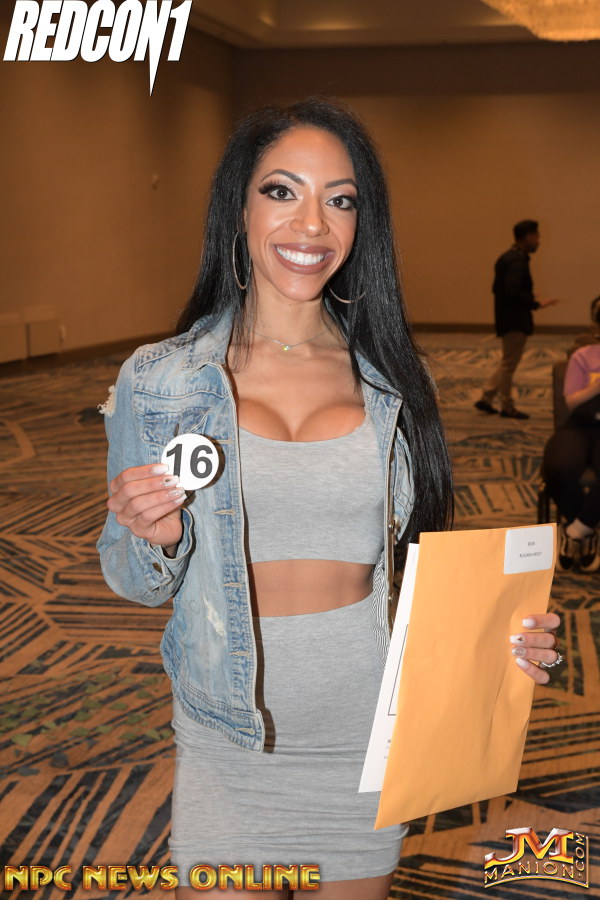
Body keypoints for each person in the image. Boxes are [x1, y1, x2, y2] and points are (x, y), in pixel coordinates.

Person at [97, 99, 561, 900]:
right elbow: (133, 581)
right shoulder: (162, 379)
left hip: (361, 736)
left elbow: (412, 570)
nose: (312, 223)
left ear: (360, 223)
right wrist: (152, 536)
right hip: (226, 738)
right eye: (282, 191)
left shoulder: (393, 381)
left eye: (340, 200)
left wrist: (497, 641)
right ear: (238, 208)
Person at [475, 219, 559, 419]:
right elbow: (512, 292)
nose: (538, 241)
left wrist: (529, 296)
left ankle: (487, 397)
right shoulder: (516, 261)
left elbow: (501, 289)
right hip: (515, 320)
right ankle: (507, 406)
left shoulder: (508, 257)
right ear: (527, 237)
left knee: (508, 361)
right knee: (509, 364)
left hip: (507, 318)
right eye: (536, 236)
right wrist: (535, 303)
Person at [544, 296, 600, 573]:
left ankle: (575, 530)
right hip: (579, 425)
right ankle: (587, 529)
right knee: (557, 466)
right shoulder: (583, 356)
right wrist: (595, 387)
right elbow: (571, 403)